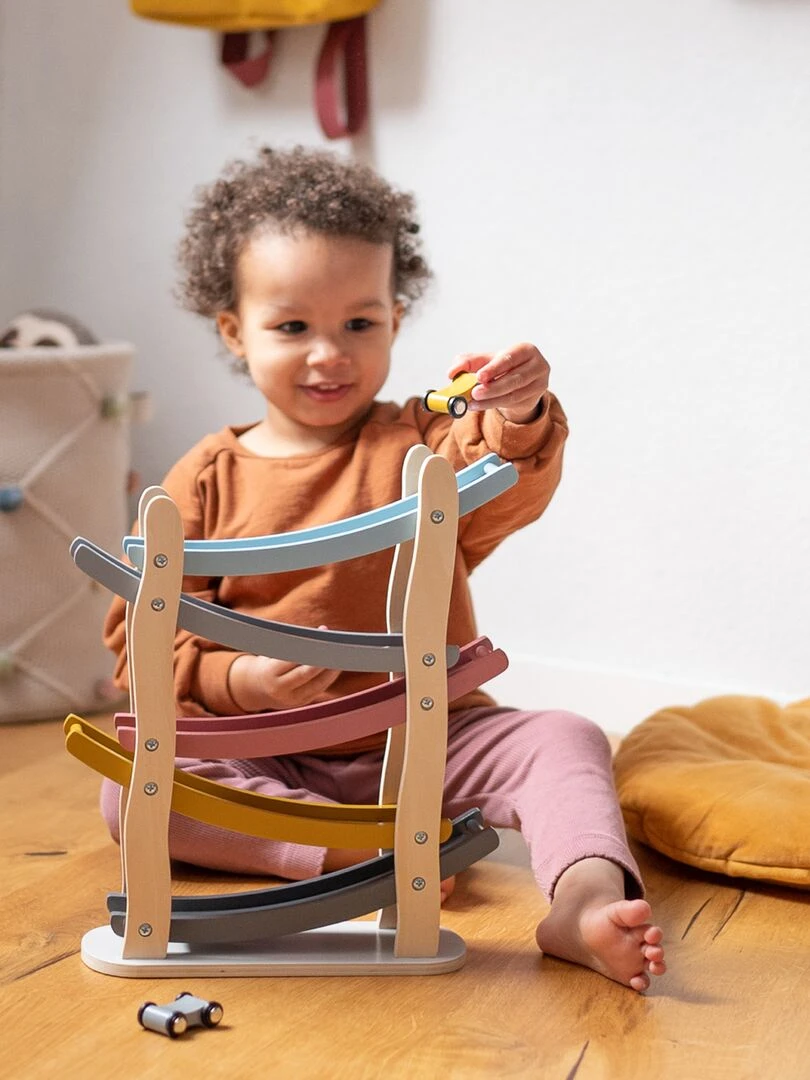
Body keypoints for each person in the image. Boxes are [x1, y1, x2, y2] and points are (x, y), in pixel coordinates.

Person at [102, 146, 666, 992]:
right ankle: (359, 849)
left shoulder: (417, 445)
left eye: (358, 324)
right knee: (133, 790)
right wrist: (243, 682)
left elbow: (504, 479)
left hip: (433, 735)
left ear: (396, 321)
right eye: (292, 327)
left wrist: (517, 412)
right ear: (233, 331)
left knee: (565, 738)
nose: (328, 354)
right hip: (273, 760)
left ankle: (583, 901)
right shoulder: (204, 479)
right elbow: (138, 647)